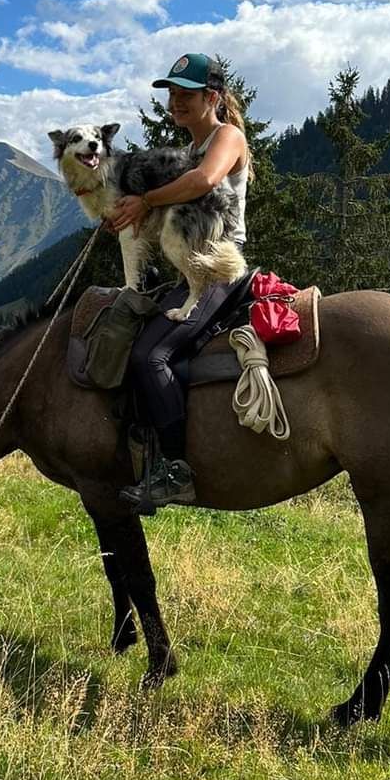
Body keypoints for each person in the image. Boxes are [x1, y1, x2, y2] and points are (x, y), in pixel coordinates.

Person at [107, 53, 251, 511]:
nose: (174, 103)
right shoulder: (189, 148)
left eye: (185, 94)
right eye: (171, 95)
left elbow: (205, 180)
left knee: (152, 354)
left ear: (212, 97)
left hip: (221, 271)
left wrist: (145, 200)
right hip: (196, 268)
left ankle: (176, 472)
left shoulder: (226, 137)